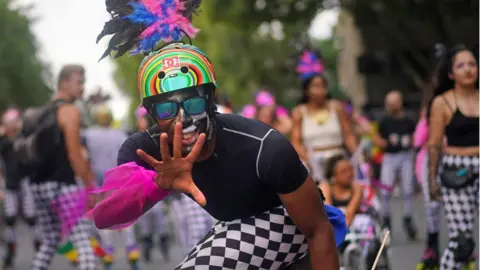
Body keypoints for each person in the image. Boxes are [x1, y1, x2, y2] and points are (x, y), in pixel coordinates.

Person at [88, 1, 348, 269]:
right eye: (166, 108)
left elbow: (318, 230)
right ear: (151, 114)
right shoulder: (146, 152)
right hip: (238, 228)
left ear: (211, 100)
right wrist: (157, 186)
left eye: (193, 103)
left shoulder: (263, 147)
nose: (182, 119)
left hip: (292, 224)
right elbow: (105, 218)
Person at [29, 65, 97, 270]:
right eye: (79, 82)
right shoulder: (69, 111)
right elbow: (74, 153)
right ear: (64, 82)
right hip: (62, 185)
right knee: (82, 240)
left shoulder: (40, 113)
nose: (82, 88)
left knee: (49, 241)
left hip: (37, 185)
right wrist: (89, 187)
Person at [427, 44, 478, 270]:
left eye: (472, 64)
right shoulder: (442, 102)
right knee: (462, 241)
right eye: (460, 66)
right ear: (451, 73)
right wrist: (431, 179)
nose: (467, 70)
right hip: (457, 170)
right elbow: (434, 144)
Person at [83, 104, 140, 269]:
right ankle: (133, 257)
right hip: (120, 182)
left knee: (105, 223)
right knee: (127, 222)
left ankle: (108, 260)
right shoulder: (120, 135)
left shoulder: (89, 135)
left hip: (100, 185)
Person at [291, 50, 357, 183]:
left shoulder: (337, 107)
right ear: (306, 89)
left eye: (323, 86)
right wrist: (309, 160)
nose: (320, 90)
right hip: (313, 165)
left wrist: (359, 158)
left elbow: (348, 135)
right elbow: (296, 143)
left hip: (339, 163)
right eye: (316, 86)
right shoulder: (299, 112)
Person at [372, 90, 417, 239]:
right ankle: (386, 219)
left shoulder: (409, 120)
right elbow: (377, 137)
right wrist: (385, 143)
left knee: (408, 189)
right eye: (389, 102)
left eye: (394, 102)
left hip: (405, 156)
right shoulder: (384, 121)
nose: (391, 105)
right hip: (389, 157)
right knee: (385, 189)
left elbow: (415, 137)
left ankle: (408, 218)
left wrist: (410, 141)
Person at [0, 108, 41, 268]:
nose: (11, 127)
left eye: (13, 123)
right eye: (8, 124)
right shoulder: (3, 143)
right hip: (10, 184)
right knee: (10, 219)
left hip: (26, 183)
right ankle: (10, 254)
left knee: (31, 217)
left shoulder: (25, 138)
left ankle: (39, 251)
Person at [414, 107, 442, 269]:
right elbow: (417, 141)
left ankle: (464, 249)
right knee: (431, 206)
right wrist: (424, 121)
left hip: (449, 161)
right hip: (428, 163)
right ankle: (432, 249)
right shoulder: (427, 121)